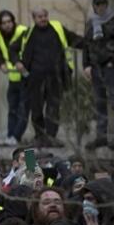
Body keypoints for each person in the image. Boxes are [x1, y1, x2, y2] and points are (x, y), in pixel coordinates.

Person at [11, 8, 84, 148]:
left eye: (45, 16)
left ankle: (51, 136)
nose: (43, 19)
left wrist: (92, 44)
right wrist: (17, 62)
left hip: (56, 77)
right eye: (40, 16)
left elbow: (75, 40)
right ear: (34, 18)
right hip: (35, 78)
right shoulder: (28, 33)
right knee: (36, 108)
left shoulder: (57, 28)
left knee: (53, 107)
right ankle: (39, 136)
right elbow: (13, 49)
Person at [82, 0, 114, 150]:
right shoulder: (90, 24)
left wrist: (113, 60)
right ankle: (101, 136)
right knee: (99, 102)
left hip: (110, 67)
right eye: (97, 5)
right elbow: (86, 45)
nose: (100, 8)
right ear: (94, 7)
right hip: (95, 68)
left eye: (103, 4)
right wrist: (86, 65)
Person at [0, 11, 28, 146]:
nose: (7, 25)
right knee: (12, 109)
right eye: (4, 23)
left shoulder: (22, 31)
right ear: (0, 25)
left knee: (23, 109)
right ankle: (10, 136)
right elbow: (0, 53)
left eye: (9, 22)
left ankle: (16, 136)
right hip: (12, 77)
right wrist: (1, 63)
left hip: (26, 76)